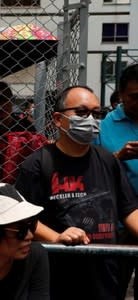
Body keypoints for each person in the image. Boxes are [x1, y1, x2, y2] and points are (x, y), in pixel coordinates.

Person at [15, 85, 138, 300]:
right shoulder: (38, 164)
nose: (90, 119)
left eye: (97, 113)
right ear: (58, 119)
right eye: (81, 113)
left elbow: (129, 210)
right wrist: (57, 237)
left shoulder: (108, 160)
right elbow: (24, 218)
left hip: (104, 274)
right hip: (57, 273)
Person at [95, 63, 138, 299]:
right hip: (120, 223)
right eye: (134, 97)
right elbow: (89, 170)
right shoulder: (104, 127)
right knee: (114, 287)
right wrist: (118, 158)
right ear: (120, 95)